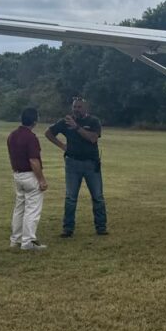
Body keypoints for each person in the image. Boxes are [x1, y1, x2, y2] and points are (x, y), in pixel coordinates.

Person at [45, 96, 107, 237]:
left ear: (86, 108)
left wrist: (77, 127)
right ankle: (68, 229)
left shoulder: (93, 121)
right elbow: (48, 133)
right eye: (74, 107)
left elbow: (93, 138)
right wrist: (62, 146)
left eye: (79, 107)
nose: (76, 109)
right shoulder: (65, 122)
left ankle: (101, 227)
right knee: (70, 198)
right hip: (72, 164)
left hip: (91, 164)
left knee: (98, 196)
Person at [8, 107, 48, 251]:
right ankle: (28, 241)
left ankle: (16, 239)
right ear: (35, 121)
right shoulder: (31, 137)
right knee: (32, 210)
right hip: (30, 175)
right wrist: (41, 180)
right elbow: (34, 160)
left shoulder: (12, 135)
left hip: (18, 174)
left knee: (19, 208)